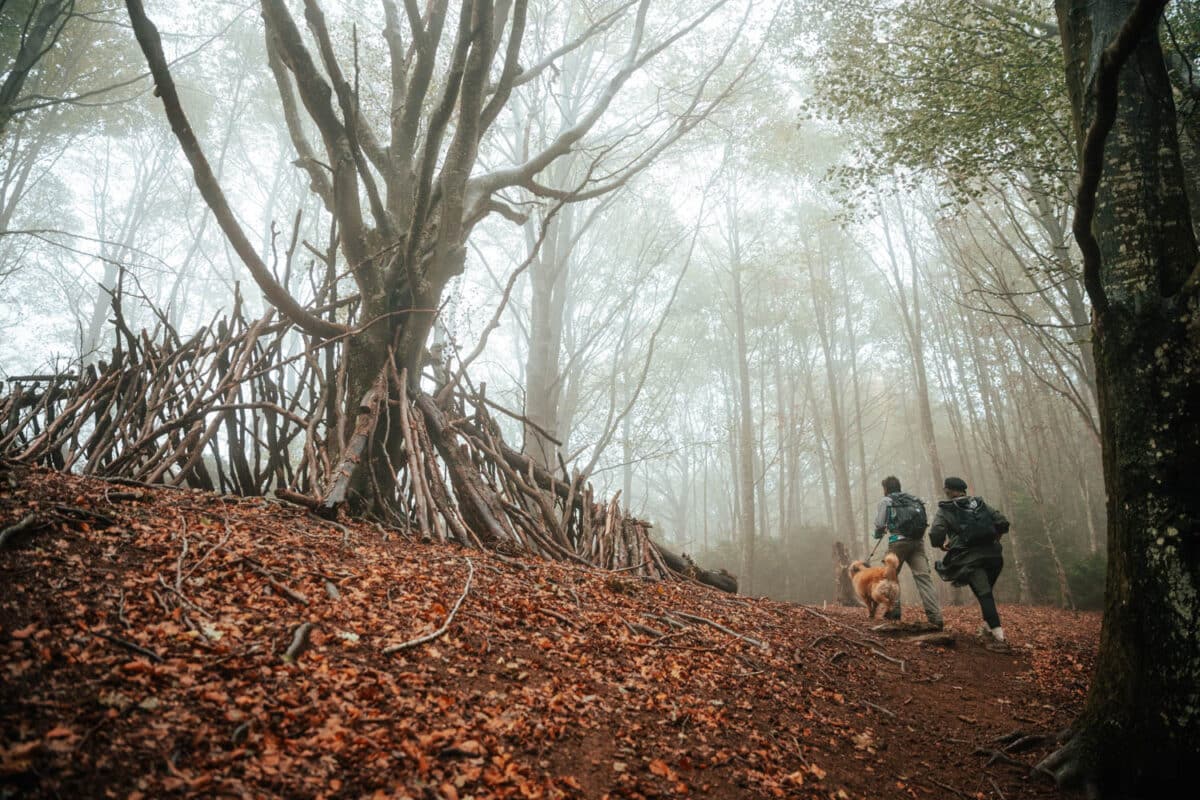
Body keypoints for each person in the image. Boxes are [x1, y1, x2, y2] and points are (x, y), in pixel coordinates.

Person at [929, 476, 1011, 652]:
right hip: (995, 558)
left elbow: (936, 533)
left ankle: (999, 638)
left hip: (971, 561)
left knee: (985, 595)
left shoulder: (946, 509)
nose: (945, 492)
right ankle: (988, 629)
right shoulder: (980, 504)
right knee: (985, 593)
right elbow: (1002, 522)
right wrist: (994, 540)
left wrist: (941, 545)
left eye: (946, 489)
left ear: (950, 491)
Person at [872, 476, 943, 630]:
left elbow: (879, 524)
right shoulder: (914, 499)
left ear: (885, 488)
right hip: (918, 543)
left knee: (891, 577)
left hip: (898, 543)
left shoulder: (886, 501)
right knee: (924, 579)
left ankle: (894, 614)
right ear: (899, 486)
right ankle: (936, 618)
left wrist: (878, 533)